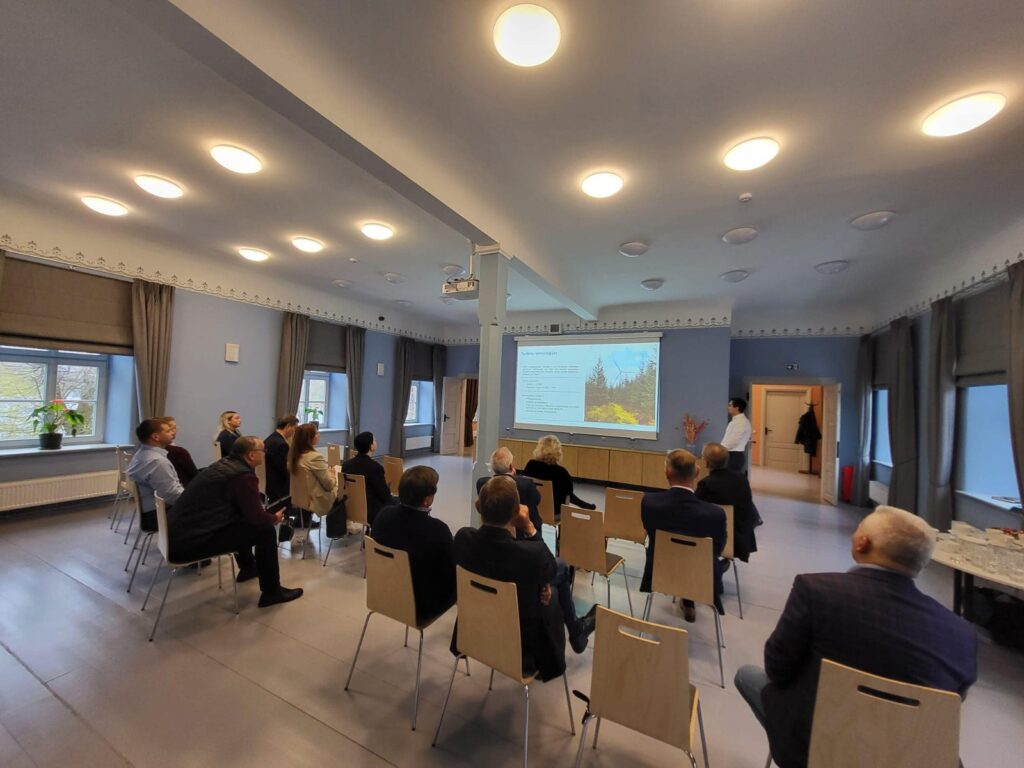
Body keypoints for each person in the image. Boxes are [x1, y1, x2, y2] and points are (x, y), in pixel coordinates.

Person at [734, 506, 977, 768]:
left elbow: (777, 668)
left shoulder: (816, 591)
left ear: (862, 543)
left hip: (814, 746)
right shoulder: (962, 633)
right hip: (907, 756)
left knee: (748, 675)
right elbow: (951, 704)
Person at [452, 476, 596, 681]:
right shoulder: (530, 555)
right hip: (523, 648)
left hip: (475, 635)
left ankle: (576, 630)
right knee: (560, 571)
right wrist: (529, 526)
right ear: (516, 513)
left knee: (552, 579)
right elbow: (549, 566)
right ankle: (577, 632)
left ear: (479, 507)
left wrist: (541, 583)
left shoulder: (463, 538)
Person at [168, 436, 303, 608]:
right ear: (251, 455)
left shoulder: (222, 465)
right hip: (191, 543)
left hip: (178, 537)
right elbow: (257, 518)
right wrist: (274, 518)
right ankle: (272, 592)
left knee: (242, 518)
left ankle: (248, 568)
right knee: (266, 531)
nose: (265, 453)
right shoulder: (242, 475)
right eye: (263, 450)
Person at [639, 448, 727, 621]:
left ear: (666, 473)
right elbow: (718, 549)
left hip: (659, 573)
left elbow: (649, 531)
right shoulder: (715, 514)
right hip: (702, 579)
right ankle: (688, 601)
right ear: (697, 472)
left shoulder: (649, 503)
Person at [372, 466, 456, 623]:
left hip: (381, 594)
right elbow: (451, 574)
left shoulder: (383, 515)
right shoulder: (438, 530)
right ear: (427, 500)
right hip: (421, 606)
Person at [696, 442, 759, 561]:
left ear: (706, 463)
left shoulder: (706, 484)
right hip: (741, 540)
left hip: (715, 541)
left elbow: (695, 511)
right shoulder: (742, 479)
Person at [126, 418, 184, 530]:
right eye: (168, 431)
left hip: (150, 512)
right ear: (156, 437)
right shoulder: (157, 462)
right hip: (158, 516)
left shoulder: (141, 453)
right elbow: (172, 496)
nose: (172, 433)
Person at [476, 446, 542, 538]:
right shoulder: (526, 484)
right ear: (511, 466)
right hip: (522, 534)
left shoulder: (482, 483)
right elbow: (537, 500)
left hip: (490, 533)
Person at [521, 434, 597, 511]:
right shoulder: (561, 472)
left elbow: (524, 485)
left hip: (532, 509)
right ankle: (585, 506)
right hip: (555, 512)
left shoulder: (530, 465)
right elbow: (569, 495)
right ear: (558, 452)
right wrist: (584, 505)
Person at [287, 423, 337, 526]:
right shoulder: (314, 457)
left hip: (299, 497)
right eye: (317, 433)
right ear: (310, 438)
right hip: (316, 499)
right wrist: (333, 475)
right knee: (343, 488)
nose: (319, 435)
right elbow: (328, 485)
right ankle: (341, 526)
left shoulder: (294, 455)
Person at [342, 431, 395, 526]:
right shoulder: (375, 467)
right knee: (399, 504)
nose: (376, 442)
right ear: (371, 447)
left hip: (350, 507)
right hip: (370, 511)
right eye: (374, 440)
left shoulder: (346, 465)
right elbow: (384, 495)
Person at [264, 414, 299, 503]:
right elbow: (284, 468)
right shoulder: (281, 444)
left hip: (269, 481)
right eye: (294, 428)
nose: (294, 431)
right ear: (288, 426)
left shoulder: (270, 439)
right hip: (278, 485)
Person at [163, 416, 198, 487]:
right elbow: (194, 475)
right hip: (185, 487)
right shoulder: (178, 452)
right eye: (174, 427)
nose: (177, 429)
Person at [721, 398, 752, 472]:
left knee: (731, 477)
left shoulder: (741, 422)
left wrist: (720, 450)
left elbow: (734, 441)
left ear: (737, 408)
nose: (727, 407)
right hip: (730, 455)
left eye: (730, 405)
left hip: (734, 456)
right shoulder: (735, 421)